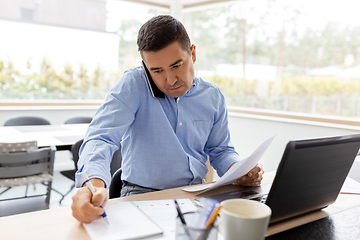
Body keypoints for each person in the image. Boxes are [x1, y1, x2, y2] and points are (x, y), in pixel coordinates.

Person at [71, 15, 264, 223]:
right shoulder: (134, 84)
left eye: (176, 65)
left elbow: (221, 149)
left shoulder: (212, 96)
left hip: (195, 195)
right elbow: (101, 137)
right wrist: (92, 185)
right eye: (157, 70)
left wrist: (240, 170)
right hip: (142, 195)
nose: (170, 80)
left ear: (193, 53)